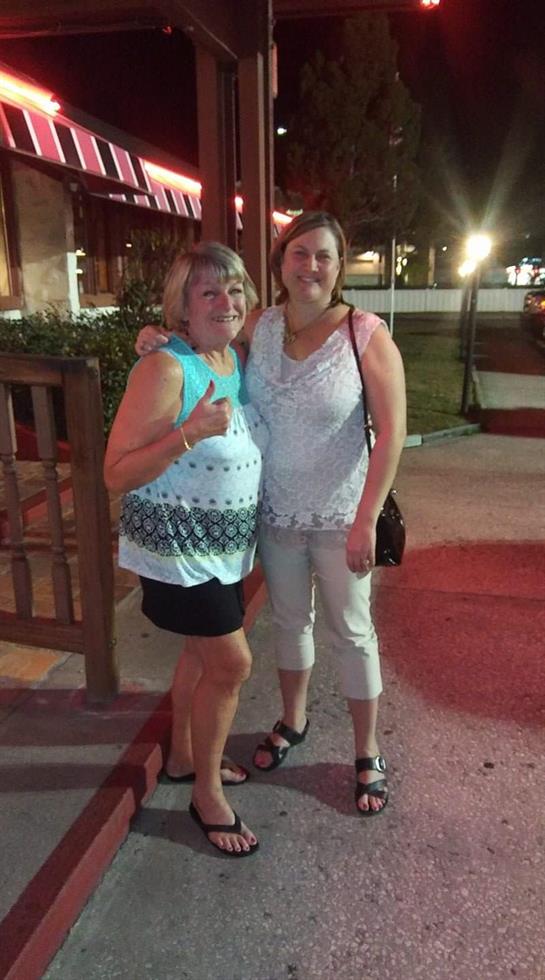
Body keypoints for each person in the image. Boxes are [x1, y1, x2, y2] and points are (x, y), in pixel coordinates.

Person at [137, 211, 406, 816]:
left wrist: (366, 519)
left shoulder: (364, 334)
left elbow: (391, 433)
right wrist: (154, 336)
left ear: (339, 268)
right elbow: (200, 344)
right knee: (289, 623)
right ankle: (292, 721)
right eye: (300, 253)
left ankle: (367, 750)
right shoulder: (259, 325)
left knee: (353, 632)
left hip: (343, 515)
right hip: (275, 513)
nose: (311, 265)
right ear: (281, 260)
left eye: (325, 256)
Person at [104, 242, 268, 856]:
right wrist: (186, 433)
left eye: (234, 290)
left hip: (222, 549)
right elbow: (114, 474)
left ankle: (180, 757)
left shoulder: (232, 356)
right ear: (183, 306)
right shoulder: (165, 369)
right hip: (178, 552)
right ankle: (206, 794)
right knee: (232, 664)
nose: (226, 302)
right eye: (209, 292)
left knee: (202, 660)